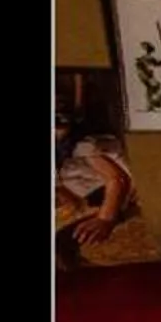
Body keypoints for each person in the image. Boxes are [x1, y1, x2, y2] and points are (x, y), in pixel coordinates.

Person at [55, 101, 144, 268]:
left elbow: (117, 179)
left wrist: (105, 219)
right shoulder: (62, 161)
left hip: (130, 194)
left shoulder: (83, 147)